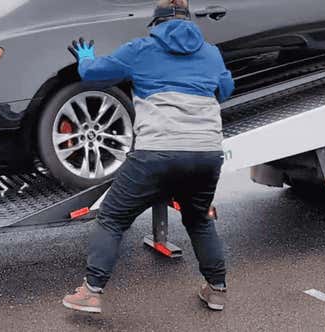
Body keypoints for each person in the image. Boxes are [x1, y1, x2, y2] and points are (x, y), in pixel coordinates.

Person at [62, 0, 235, 313]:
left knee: (113, 218)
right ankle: (217, 290)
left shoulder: (140, 49)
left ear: (155, 24)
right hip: (206, 153)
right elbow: (225, 90)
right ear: (190, 21)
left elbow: (93, 74)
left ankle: (91, 291)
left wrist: (85, 58)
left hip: (158, 152)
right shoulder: (211, 52)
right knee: (198, 220)